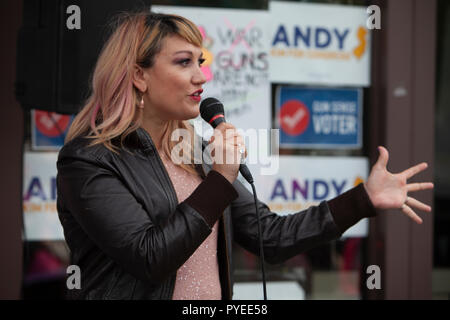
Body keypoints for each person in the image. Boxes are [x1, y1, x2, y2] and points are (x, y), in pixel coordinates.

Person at [56, 11, 433, 300]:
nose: (201, 77)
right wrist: (220, 177)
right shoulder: (90, 160)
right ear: (139, 75)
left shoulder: (195, 153)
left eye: (200, 63)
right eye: (184, 62)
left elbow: (271, 236)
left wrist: (363, 200)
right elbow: (150, 257)